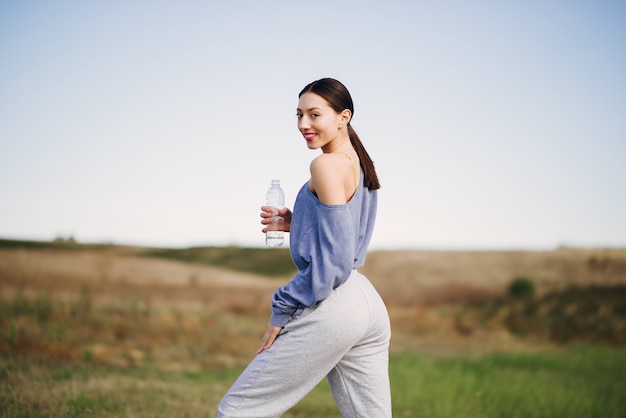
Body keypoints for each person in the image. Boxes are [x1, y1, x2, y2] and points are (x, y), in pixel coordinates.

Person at [218, 78, 391, 417]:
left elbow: (335, 260)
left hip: (337, 303)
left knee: (238, 410)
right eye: (298, 115)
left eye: (314, 115)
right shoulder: (356, 161)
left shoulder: (325, 165)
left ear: (343, 117)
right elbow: (342, 237)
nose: (303, 125)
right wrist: (297, 224)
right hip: (366, 301)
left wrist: (283, 307)